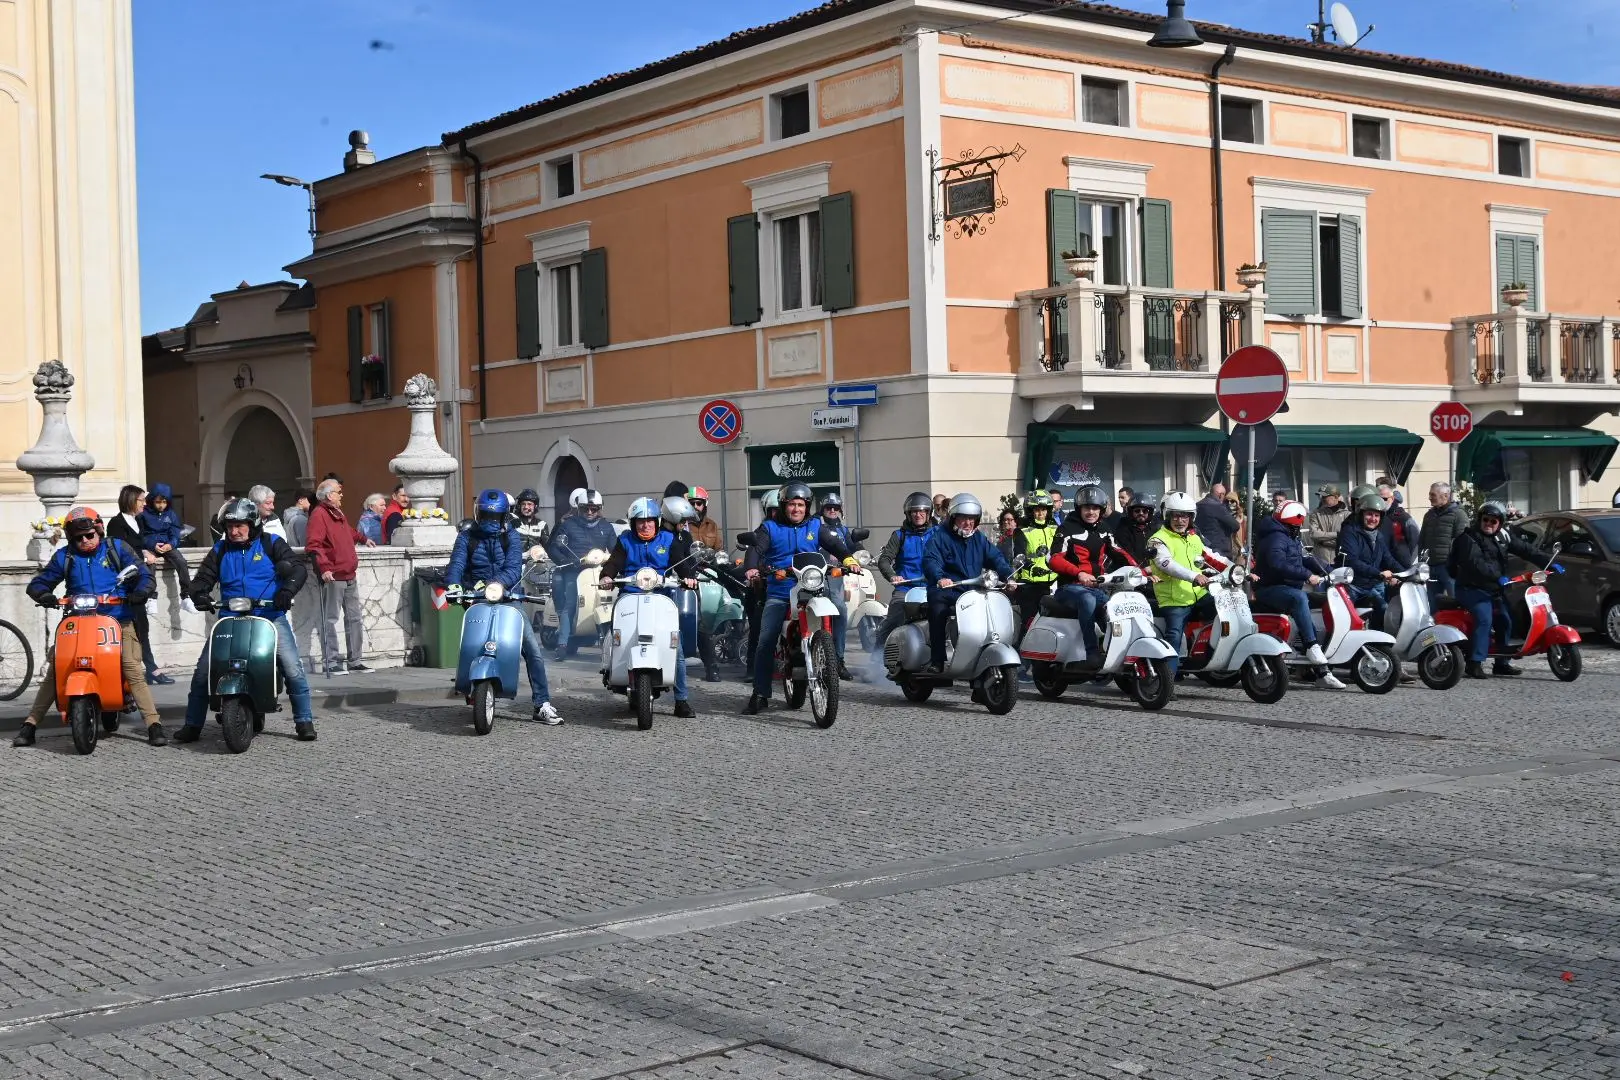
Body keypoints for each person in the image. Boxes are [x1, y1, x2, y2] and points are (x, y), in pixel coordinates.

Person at [14, 507, 167, 747]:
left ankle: (153, 724)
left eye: (89, 535)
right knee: (57, 667)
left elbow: (142, 573)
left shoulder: (117, 548)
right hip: (78, 622)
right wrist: (42, 593)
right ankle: (30, 724)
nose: (84, 541)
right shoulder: (65, 557)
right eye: (78, 537)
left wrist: (140, 592)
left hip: (118, 620)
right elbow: (40, 582)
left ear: (99, 531)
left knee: (131, 666)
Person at [175, 497, 316, 743]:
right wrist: (199, 594)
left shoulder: (272, 543)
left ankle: (304, 721)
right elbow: (204, 577)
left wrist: (286, 591)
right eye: (230, 527)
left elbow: (297, 568)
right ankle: (192, 724)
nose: (235, 531)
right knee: (203, 672)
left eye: (240, 525)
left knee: (293, 668)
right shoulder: (220, 550)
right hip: (230, 618)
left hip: (269, 617)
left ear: (252, 525)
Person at [444, 490, 562, 724]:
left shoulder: (512, 537)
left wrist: (497, 584)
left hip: (508, 597)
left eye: (494, 516)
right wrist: (454, 585)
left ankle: (542, 703)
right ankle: (469, 686)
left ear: (503, 516)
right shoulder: (467, 536)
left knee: (532, 649)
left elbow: (512, 567)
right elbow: (457, 563)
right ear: (479, 513)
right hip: (477, 596)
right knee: (471, 642)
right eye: (486, 515)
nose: (490, 520)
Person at [741, 482, 854, 713]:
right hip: (781, 590)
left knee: (836, 611)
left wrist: (848, 559)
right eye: (792, 504)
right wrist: (752, 567)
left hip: (812, 588)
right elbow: (755, 548)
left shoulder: (815, 525)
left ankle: (831, 658)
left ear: (807, 506)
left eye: (801, 505)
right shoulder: (770, 527)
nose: (796, 509)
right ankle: (760, 693)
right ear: (784, 506)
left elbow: (833, 543)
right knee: (766, 639)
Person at [599, 497, 699, 717]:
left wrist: (689, 577)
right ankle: (611, 667)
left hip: (660, 596)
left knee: (677, 646)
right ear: (633, 523)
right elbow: (615, 561)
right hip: (630, 595)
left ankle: (681, 700)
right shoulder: (625, 540)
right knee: (619, 633)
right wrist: (607, 575)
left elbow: (680, 563)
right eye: (640, 521)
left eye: (650, 521)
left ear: (657, 521)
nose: (645, 525)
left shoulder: (668, 539)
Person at [1252, 501, 1345, 689]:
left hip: (1286, 588)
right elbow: (1277, 563)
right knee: (1299, 598)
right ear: (1293, 522)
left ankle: (1323, 672)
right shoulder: (1276, 538)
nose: (1300, 527)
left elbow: (1305, 558)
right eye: (1298, 524)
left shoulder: (1288, 536)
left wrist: (1331, 569)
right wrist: (1307, 575)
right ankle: (1311, 647)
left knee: (1313, 609)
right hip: (1270, 588)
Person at [921, 493, 1014, 674]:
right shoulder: (940, 537)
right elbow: (931, 560)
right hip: (947, 590)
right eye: (964, 518)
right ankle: (937, 659)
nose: (968, 523)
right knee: (938, 610)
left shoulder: (978, 538)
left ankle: (980, 654)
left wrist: (1009, 576)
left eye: (972, 519)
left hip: (972, 589)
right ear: (954, 517)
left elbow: (995, 558)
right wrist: (940, 578)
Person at [1449, 501, 1540, 680]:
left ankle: (1502, 664)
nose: (1489, 524)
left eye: (1493, 521)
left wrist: (1551, 561)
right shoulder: (1468, 539)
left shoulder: (1502, 536)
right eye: (1485, 520)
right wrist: (1497, 576)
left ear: (1500, 523)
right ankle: (1474, 663)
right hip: (1470, 588)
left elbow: (1526, 550)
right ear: (1479, 519)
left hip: (1492, 588)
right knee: (1484, 618)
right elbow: (1476, 564)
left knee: (1506, 620)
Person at [1048, 485, 1136, 665]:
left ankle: (1117, 649)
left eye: (1095, 508)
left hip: (1097, 587)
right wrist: (1079, 573)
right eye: (1086, 507)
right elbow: (1054, 559)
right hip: (1069, 588)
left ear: (1101, 509)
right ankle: (1091, 652)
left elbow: (1119, 552)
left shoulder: (1104, 529)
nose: (1091, 512)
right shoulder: (1066, 528)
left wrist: (1140, 571)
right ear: (1079, 508)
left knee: (1118, 605)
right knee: (1087, 600)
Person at [1147, 491, 1227, 676]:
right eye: (1175, 515)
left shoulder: (1193, 538)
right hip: (1174, 600)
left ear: (1191, 518)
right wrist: (1194, 576)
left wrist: (1237, 570)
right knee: (1174, 635)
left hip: (1198, 595)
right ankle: (1167, 679)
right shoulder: (1157, 540)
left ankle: (1207, 654)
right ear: (1167, 516)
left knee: (1225, 611)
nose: (1180, 520)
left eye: (1185, 516)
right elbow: (1166, 564)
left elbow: (1212, 557)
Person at [306, 478, 376, 676]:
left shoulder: (337, 512)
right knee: (330, 619)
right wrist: (325, 567)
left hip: (348, 573)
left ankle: (355, 661)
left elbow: (347, 533)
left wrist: (363, 539)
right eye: (339, 491)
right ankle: (331, 661)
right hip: (334, 575)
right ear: (329, 495)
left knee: (355, 619)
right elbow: (314, 545)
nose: (341, 495)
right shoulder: (319, 514)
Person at [107, 485, 173, 686]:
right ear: (130, 500)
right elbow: (117, 551)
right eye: (141, 500)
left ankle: (150, 668)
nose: (145, 503)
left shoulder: (137, 521)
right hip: (124, 586)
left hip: (138, 585)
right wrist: (142, 557)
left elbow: (137, 545)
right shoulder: (116, 524)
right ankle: (134, 670)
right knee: (126, 629)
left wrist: (145, 552)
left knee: (142, 627)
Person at [545, 488, 617, 660]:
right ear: (579, 508)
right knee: (571, 602)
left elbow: (616, 549)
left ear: (600, 508)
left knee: (612, 598)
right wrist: (564, 561)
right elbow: (554, 547)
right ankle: (562, 644)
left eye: (594, 509)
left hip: (599, 571)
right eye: (586, 508)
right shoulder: (568, 525)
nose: (590, 512)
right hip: (574, 570)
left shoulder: (606, 527)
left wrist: (614, 561)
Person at [872, 492, 934, 661]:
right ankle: (876, 659)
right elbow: (884, 560)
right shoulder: (899, 535)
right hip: (906, 587)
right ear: (908, 514)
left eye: (922, 511)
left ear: (929, 513)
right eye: (914, 511)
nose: (918, 514)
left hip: (932, 586)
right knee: (893, 620)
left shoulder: (938, 534)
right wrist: (893, 576)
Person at [1338, 494, 1403, 631]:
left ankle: (1377, 647)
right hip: (1351, 587)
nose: (1373, 519)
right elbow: (1352, 561)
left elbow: (1388, 558)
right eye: (1369, 514)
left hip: (1368, 586)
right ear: (1361, 514)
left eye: (1377, 516)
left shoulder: (1378, 535)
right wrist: (1378, 573)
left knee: (1384, 610)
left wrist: (1406, 573)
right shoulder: (1350, 532)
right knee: (1346, 622)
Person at [815, 491, 859, 680]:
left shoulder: (843, 530)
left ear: (840, 510)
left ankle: (839, 660)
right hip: (814, 576)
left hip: (835, 577)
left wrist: (862, 555)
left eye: (836, 508)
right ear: (822, 509)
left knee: (841, 611)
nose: (832, 510)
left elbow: (854, 546)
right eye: (828, 507)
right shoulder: (815, 526)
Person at [1012, 491, 1059, 632]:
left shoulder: (1055, 529)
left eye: (1043, 509)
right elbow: (1019, 556)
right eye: (1037, 510)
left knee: (1053, 622)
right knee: (1030, 623)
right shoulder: (1022, 531)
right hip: (1030, 584)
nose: (1040, 513)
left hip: (1054, 582)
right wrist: (1032, 568)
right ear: (1030, 511)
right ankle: (1021, 649)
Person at [139, 481, 194, 589]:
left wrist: (170, 544)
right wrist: (152, 545)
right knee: (150, 565)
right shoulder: (143, 514)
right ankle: (150, 597)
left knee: (181, 562)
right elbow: (140, 535)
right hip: (150, 547)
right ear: (152, 501)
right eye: (158, 502)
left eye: (164, 502)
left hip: (166, 545)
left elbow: (175, 533)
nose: (161, 506)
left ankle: (187, 594)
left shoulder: (171, 514)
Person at [1418, 482, 1469, 599]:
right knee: (1432, 603)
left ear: (1445, 496)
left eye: (1433, 495)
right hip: (1431, 567)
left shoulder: (1459, 515)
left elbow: (1463, 542)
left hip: (1448, 568)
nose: (1429, 498)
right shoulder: (1429, 515)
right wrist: (1422, 561)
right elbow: (1422, 539)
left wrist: (1455, 564)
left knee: (1456, 600)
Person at [1195, 482, 1240, 559]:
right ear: (1220, 495)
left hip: (1200, 547)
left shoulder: (1197, 504)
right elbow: (1235, 526)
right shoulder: (1218, 507)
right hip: (1219, 550)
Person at [1377, 483, 1418, 568]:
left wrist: (1410, 563)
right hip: (1381, 565)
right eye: (1378, 499)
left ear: (1392, 499)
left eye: (1384, 499)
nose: (1381, 501)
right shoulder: (1375, 517)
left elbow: (1415, 540)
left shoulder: (1403, 517)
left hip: (1402, 565)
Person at [1113, 494, 1159, 568]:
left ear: (1149, 513)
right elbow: (1128, 553)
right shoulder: (1123, 529)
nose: (1141, 513)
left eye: (1145, 511)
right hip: (1132, 571)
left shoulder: (1154, 529)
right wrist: (1144, 566)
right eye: (1137, 511)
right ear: (1131, 512)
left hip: (1155, 570)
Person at [1306, 485, 1349, 566]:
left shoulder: (1347, 515)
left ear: (1336, 497)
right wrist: (1337, 534)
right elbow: (1313, 534)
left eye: (1325, 496)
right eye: (1321, 496)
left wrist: (1323, 540)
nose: (1322, 498)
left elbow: (1346, 538)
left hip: (1339, 559)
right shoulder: (1316, 513)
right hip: (1320, 558)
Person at [687, 486, 721, 551]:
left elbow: (719, 550)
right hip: (690, 561)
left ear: (704, 505)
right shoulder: (683, 525)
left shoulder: (712, 525)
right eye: (692, 503)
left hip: (709, 561)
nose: (695, 506)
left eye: (699, 503)